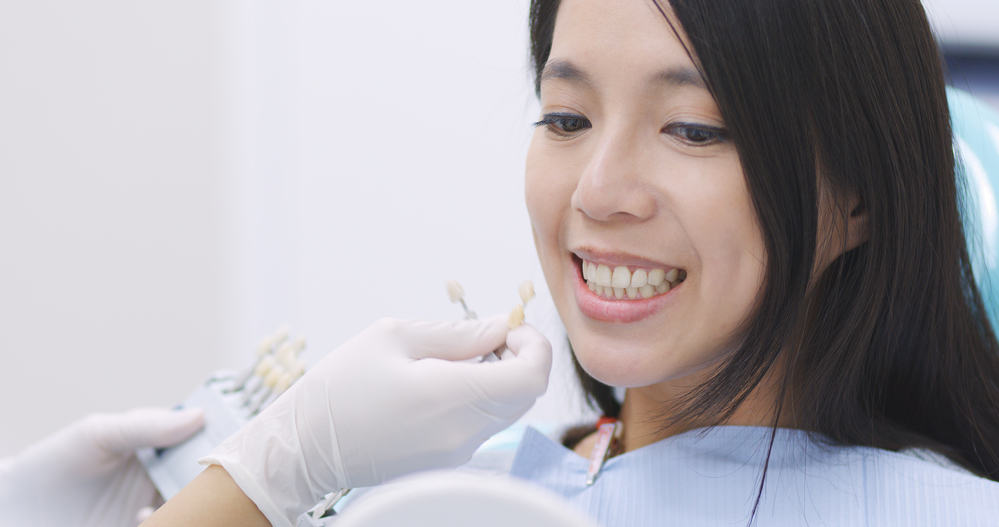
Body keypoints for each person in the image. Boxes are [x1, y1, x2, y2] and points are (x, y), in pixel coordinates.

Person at [12, 0, 999, 525]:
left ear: (859, 197)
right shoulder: (442, 485)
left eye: (695, 128)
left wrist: (261, 485)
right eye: (565, 117)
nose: (599, 189)